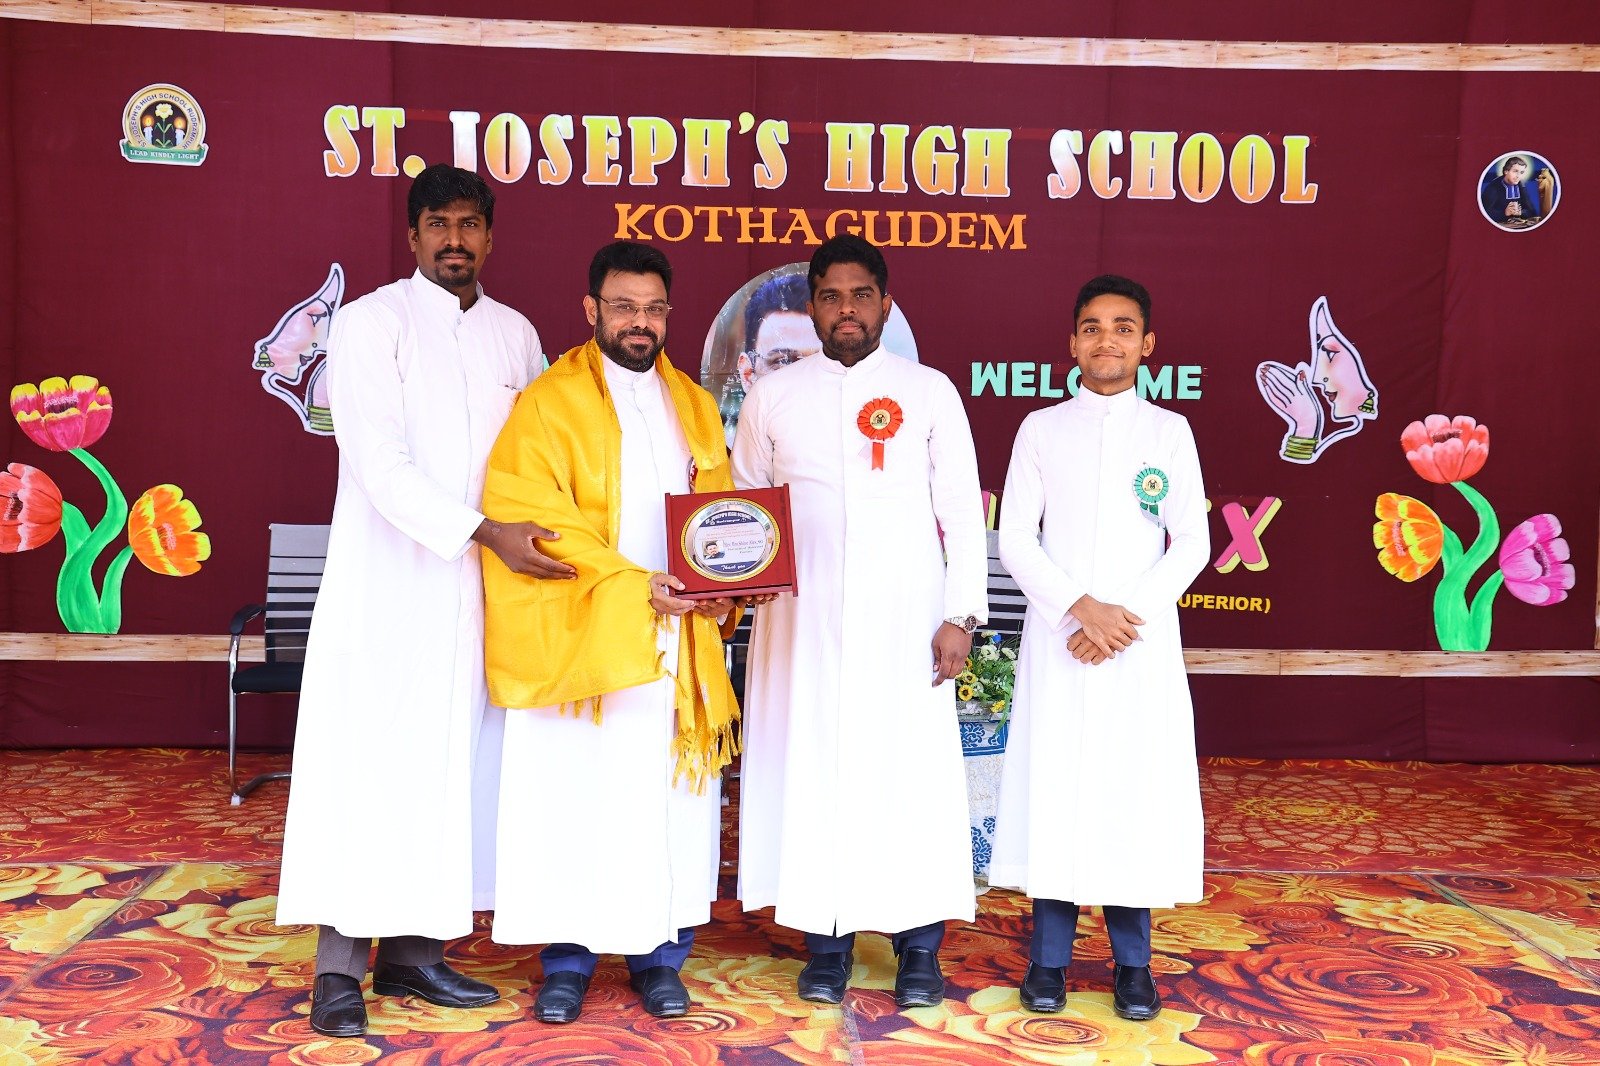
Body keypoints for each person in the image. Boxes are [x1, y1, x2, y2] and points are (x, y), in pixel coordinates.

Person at [275, 165, 572, 1039]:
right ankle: (338, 970)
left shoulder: (516, 334)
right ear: (412, 237)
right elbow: (379, 462)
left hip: (482, 596)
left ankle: (414, 954)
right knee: (368, 768)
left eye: (469, 223)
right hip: (389, 591)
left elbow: (544, 452)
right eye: (438, 223)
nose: (454, 239)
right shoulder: (372, 323)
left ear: (490, 236)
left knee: (454, 771)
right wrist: (486, 531)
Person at [481, 241, 747, 1025]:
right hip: (583, 641)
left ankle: (661, 957)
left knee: (667, 805)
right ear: (591, 309)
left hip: (674, 643)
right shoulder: (548, 402)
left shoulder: (693, 405)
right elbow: (535, 521)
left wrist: (723, 583)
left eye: (654, 309)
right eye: (624, 307)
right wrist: (636, 587)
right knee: (573, 800)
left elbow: (720, 516)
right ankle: (566, 964)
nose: (641, 322)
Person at [731, 234, 986, 1009]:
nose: (847, 310)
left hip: (908, 619)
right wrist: (745, 587)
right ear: (812, 307)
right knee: (811, 770)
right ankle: (826, 942)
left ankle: (918, 949)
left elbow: (961, 513)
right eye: (832, 297)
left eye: (861, 295)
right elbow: (746, 507)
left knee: (910, 776)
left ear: (886, 304)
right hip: (799, 618)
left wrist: (961, 615)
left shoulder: (928, 391)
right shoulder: (774, 396)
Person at [990, 275, 1209, 1021]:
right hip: (1062, 640)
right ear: (1072, 344)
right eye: (1092, 327)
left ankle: (1133, 966)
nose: (1106, 340)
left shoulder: (1169, 432)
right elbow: (1016, 537)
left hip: (1137, 647)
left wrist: (1122, 620)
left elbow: (1192, 540)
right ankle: (1047, 961)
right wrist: (1079, 611)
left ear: (1147, 345)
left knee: (1129, 793)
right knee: (1056, 789)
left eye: (1122, 328)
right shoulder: (1041, 429)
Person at [1480, 155, 1540, 225]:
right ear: (1506, 171)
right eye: (1515, 171)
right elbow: (1484, 214)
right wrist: (1504, 213)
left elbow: (1532, 212)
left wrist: (1521, 212)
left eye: (1521, 172)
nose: (1518, 176)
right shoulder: (1494, 187)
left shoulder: (1520, 186)